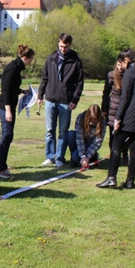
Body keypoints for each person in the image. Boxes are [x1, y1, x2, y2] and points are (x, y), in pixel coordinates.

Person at [97, 49, 135, 189]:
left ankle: (111, 178)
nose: (120, 66)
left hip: (130, 116)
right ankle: (130, 181)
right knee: (134, 148)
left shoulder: (130, 72)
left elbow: (125, 97)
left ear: (126, 60)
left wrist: (118, 118)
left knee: (116, 144)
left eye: (121, 63)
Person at [37, 33, 84, 168]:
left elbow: (80, 83)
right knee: (49, 130)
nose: (63, 49)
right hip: (50, 99)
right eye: (61, 46)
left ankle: (60, 158)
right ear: (58, 43)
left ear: (70, 45)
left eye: (66, 47)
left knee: (63, 132)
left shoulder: (75, 61)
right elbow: (44, 78)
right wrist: (40, 95)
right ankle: (49, 156)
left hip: (66, 101)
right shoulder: (51, 58)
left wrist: (75, 100)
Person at [0, 44, 36, 179]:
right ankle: (1, 169)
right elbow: (5, 89)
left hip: (10, 105)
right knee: (6, 135)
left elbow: (12, 88)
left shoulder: (17, 67)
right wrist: (8, 111)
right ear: (25, 57)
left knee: (9, 136)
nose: (31, 62)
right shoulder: (13, 68)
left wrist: (22, 91)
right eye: (31, 59)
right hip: (5, 106)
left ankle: (1, 164)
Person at [101, 58, 128, 163]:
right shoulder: (111, 75)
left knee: (125, 135)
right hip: (113, 109)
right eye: (118, 65)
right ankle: (114, 156)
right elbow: (106, 93)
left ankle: (125, 155)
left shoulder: (129, 76)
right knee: (113, 135)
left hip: (126, 109)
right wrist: (104, 109)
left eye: (122, 65)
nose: (120, 68)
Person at [66, 104, 106, 169]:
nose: (93, 122)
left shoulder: (103, 122)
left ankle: (93, 157)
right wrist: (83, 156)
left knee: (76, 157)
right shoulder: (80, 117)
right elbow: (79, 138)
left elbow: (97, 143)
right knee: (70, 134)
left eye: (95, 120)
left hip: (90, 144)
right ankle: (75, 160)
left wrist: (87, 157)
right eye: (91, 119)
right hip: (81, 142)